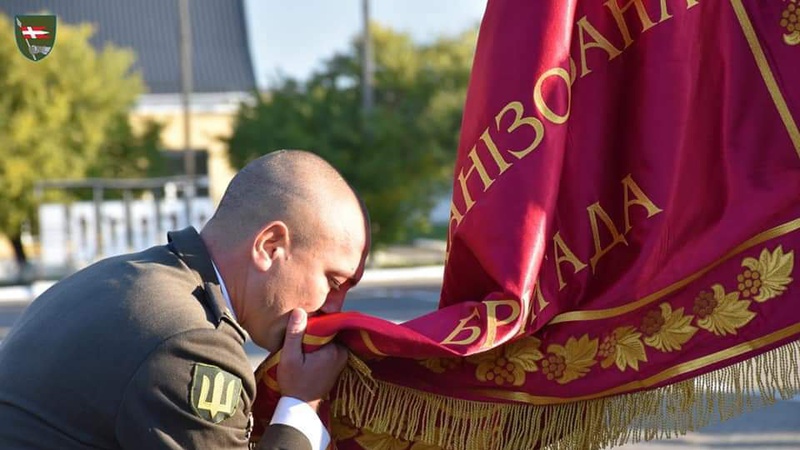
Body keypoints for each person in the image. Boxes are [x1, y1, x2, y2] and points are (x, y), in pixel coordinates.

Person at [0, 150, 370, 450]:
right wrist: (302, 404)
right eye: (333, 281)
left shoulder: (120, 274)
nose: (334, 307)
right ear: (270, 247)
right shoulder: (193, 342)